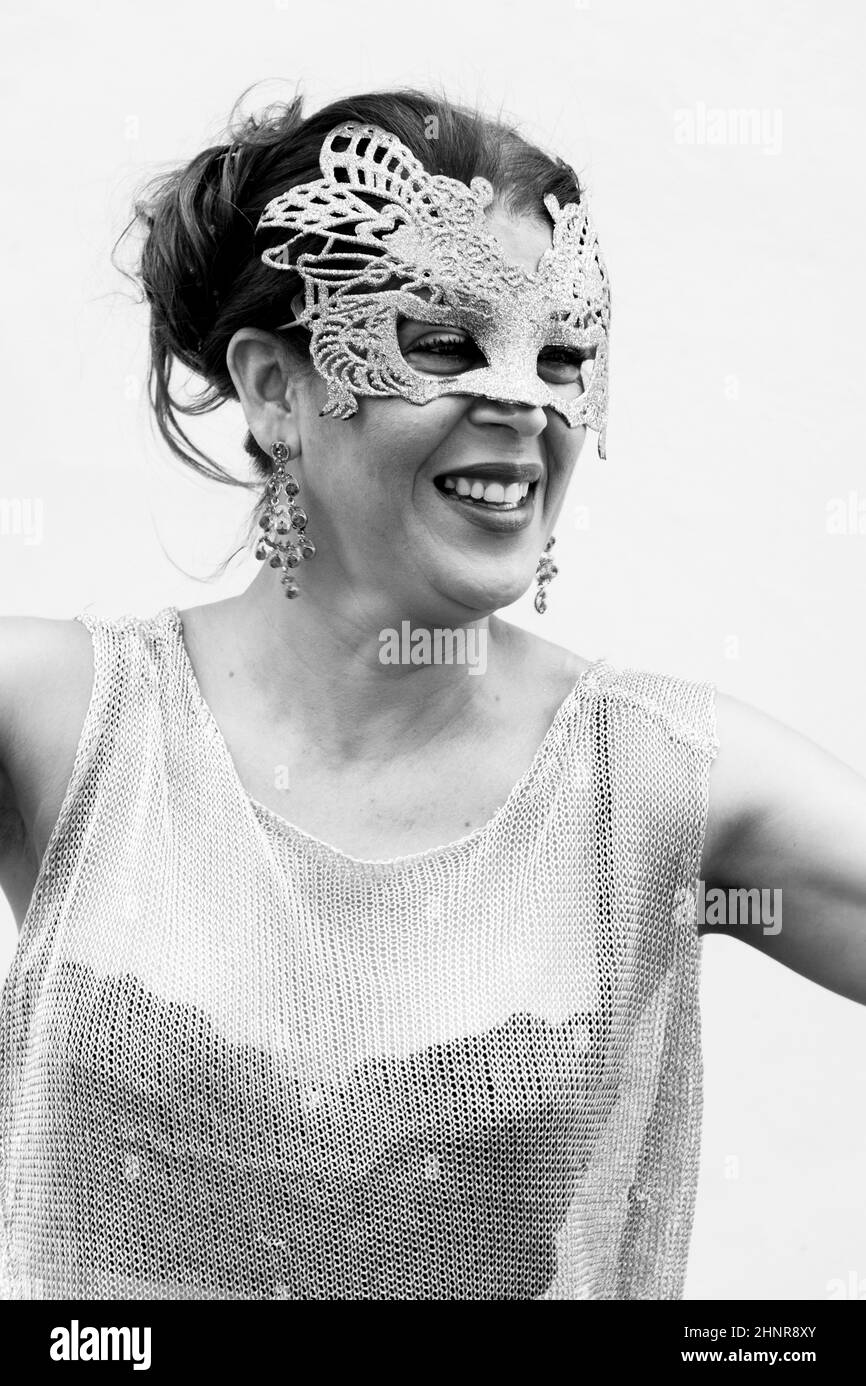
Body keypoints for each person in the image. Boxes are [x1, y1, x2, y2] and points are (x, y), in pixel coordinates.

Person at [0, 86, 863, 1302]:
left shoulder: (658, 782)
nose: (522, 398)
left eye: (561, 352)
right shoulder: (56, 720)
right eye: (445, 341)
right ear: (272, 389)